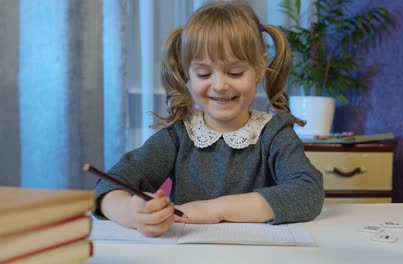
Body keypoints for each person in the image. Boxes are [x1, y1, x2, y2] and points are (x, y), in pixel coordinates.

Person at [95, 1, 324, 237]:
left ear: (259, 68)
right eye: (203, 73)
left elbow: (308, 191)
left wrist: (214, 209)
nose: (220, 86)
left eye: (235, 72)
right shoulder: (178, 135)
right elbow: (109, 185)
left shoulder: (274, 133)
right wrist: (134, 213)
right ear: (187, 72)